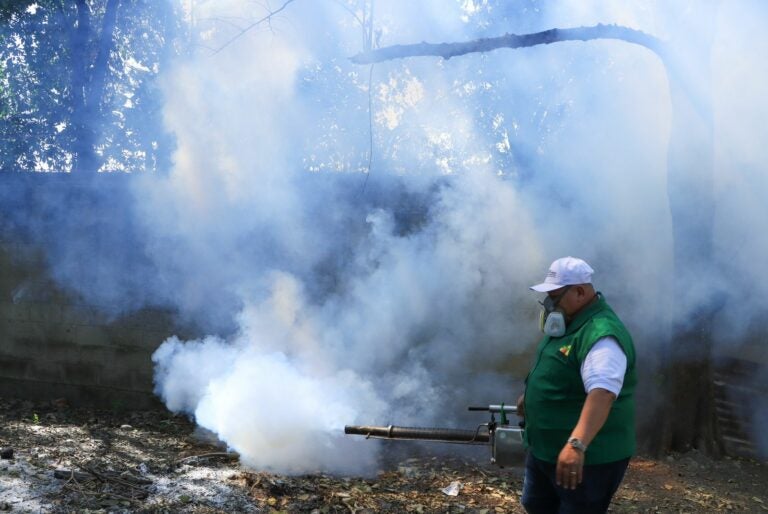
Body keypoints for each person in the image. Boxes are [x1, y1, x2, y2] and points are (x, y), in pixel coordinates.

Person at [517, 256, 636, 514]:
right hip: (547, 450)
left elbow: (603, 392)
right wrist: (531, 397)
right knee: (535, 504)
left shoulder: (601, 333)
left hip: (586, 460)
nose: (549, 305)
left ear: (580, 292)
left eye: (554, 297)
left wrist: (577, 444)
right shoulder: (570, 325)